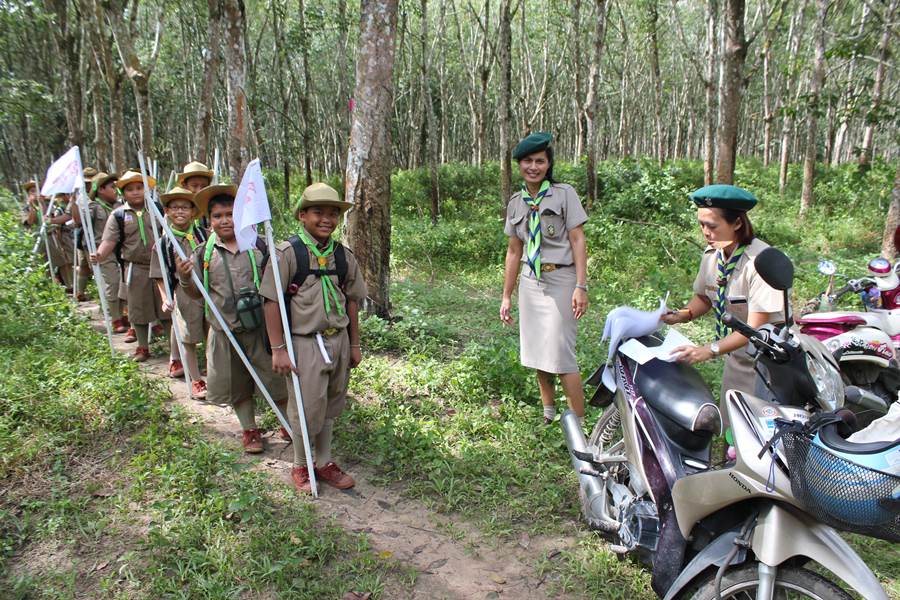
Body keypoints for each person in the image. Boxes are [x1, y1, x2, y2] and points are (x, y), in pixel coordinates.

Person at [261, 183, 367, 493]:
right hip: (304, 342)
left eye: (333, 213)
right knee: (306, 406)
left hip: (338, 340)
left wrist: (354, 344)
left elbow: (352, 300)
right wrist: (279, 349)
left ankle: (323, 461)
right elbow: (271, 301)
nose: (326, 219)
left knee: (331, 403)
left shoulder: (342, 256)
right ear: (302, 215)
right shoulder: (287, 254)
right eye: (318, 212)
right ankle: (300, 463)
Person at [174, 184, 288, 453]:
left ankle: (287, 422)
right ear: (209, 220)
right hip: (225, 332)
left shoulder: (259, 245)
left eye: (230, 214)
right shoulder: (203, 253)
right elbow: (196, 294)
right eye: (217, 216)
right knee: (237, 385)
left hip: (261, 330)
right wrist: (185, 277)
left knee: (276, 381)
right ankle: (250, 430)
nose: (225, 220)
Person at [663, 184, 783, 415]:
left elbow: (755, 328)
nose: (705, 232)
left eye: (712, 226)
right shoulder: (713, 256)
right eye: (701, 225)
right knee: (732, 421)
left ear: (737, 223)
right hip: (738, 354)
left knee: (766, 424)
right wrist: (680, 315)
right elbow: (705, 298)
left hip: (771, 359)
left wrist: (709, 349)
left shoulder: (761, 261)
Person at [500, 132, 589, 426]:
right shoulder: (516, 202)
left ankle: (578, 425)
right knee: (539, 352)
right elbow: (514, 251)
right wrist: (506, 295)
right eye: (528, 161)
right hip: (531, 282)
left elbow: (577, 239)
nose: (533, 167)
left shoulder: (564, 194)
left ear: (548, 164)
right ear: (519, 165)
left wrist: (580, 285)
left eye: (540, 161)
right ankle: (548, 413)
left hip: (561, 278)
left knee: (562, 355)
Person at [91, 170, 169, 362]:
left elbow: (170, 232)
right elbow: (109, 240)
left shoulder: (157, 210)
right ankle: (142, 347)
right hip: (136, 267)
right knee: (137, 308)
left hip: (160, 265)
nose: (135, 192)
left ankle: (174, 348)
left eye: (140, 188)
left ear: (146, 189)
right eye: (130, 189)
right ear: (123, 193)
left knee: (166, 307)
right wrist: (99, 255)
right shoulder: (118, 215)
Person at [150, 185, 209, 398]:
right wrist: (165, 298)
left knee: (212, 334)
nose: (180, 211)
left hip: (209, 290)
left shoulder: (205, 235)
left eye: (185, 207)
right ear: (166, 211)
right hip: (183, 294)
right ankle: (196, 380)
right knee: (187, 337)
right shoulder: (163, 243)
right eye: (174, 207)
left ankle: (214, 376)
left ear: (193, 211)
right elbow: (159, 275)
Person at [85, 172, 128, 333]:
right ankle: (115, 319)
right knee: (112, 283)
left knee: (124, 283)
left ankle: (124, 314)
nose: (115, 190)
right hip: (103, 252)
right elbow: (80, 222)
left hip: (121, 250)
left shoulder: (120, 206)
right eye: (111, 187)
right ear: (101, 189)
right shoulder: (93, 207)